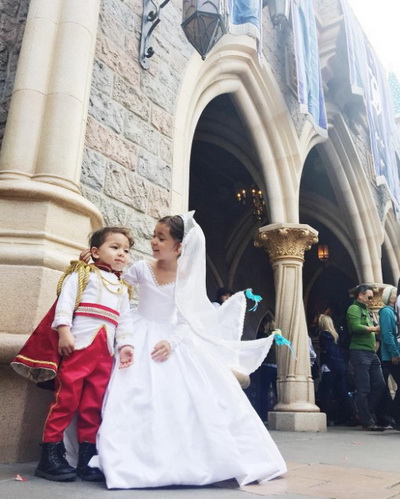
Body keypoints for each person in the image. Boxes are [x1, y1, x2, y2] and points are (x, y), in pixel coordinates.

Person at [87, 212, 287, 489]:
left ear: (179, 246)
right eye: (154, 236)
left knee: (190, 397)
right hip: (140, 332)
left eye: (161, 238)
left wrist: (171, 343)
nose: (154, 242)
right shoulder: (142, 268)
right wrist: (92, 267)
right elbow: (115, 285)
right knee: (132, 392)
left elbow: (186, 320)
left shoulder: (186, 277)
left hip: (173, 339)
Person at [12, 227, 136, 482]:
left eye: (125, 250)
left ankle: (87, 459)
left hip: (104, 353)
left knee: (93, 405)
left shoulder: (122, 288)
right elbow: (66, 303)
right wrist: (64, 331)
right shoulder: (82, 274)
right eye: (114, 247)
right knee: (65, 399)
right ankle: (50, 455)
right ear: (95, 252)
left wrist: (125, 345)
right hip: (79, 347)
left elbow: (124, 321)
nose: (121, 253)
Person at [346, 284, 386, 431]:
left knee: (380, 384)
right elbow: (355, 327)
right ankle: (366, 421)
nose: (371, 300)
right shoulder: (354, 308)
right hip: (359, 351)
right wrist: (374, 329)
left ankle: (364, 414)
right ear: (360, 295)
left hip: (370, 352)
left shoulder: (367, 311)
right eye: (369, 297)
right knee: (364, 388)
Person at [316, 314, 354, 425]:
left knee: (325, 392)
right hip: (339, 365)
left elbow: (325, 350)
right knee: (341, 392)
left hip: (329, 366)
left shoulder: (324, 335)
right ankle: (349, 415)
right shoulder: (335, 335)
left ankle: (325, 416)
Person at [379, 285, 400, 430]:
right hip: (391, 356)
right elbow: (387, 334)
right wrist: (394, 353)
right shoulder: (387, 312)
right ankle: (393, 413)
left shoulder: (394, 311)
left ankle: (394, 413)